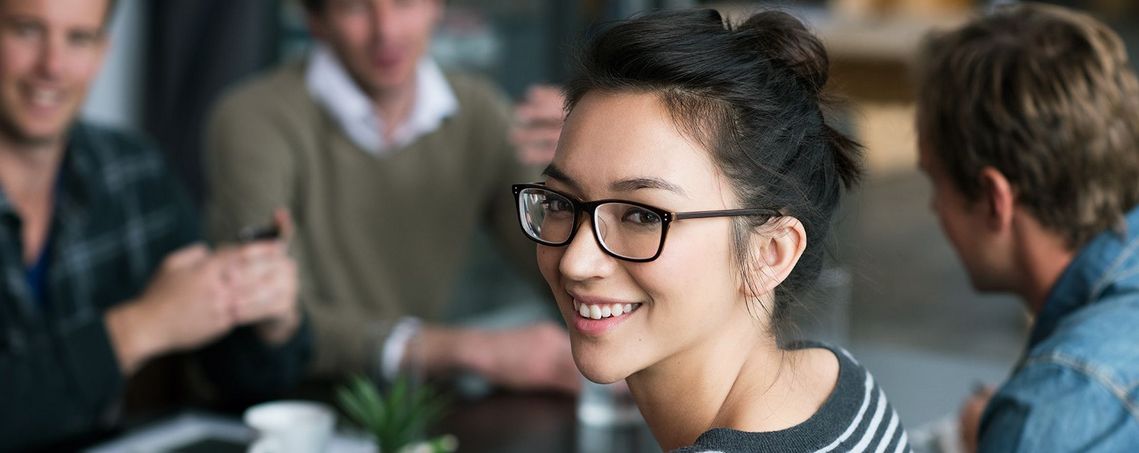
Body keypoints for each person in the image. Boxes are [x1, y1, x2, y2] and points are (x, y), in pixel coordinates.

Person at [515, 8, 911, 452]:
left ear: (772, 251)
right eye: (558, 202)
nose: (576, 260)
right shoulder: (840, 386)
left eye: (643, 216)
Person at [205, 0, 578, 392]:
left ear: (437, 6)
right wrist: (469, 349)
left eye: (404, 2)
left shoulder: (479, 113)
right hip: (282, 403)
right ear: (316, 21)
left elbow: (557, 266)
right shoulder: (254, 118)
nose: (386, 31)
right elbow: (273, 311)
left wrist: (585, 174)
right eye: (354, 8)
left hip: (410, 405)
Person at [0, 0, 309, 449]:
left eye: (79, 38)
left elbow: (239, 381)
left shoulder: (134, 171)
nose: (53, 65)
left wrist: (267, 318)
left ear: (103, 51)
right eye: (27, 31)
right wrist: (140, 327)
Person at [915, 3, 1139, 452]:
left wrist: (1019, 429)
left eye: (935, 181)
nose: (934, 207)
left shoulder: (1048, 408)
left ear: (995, 199)